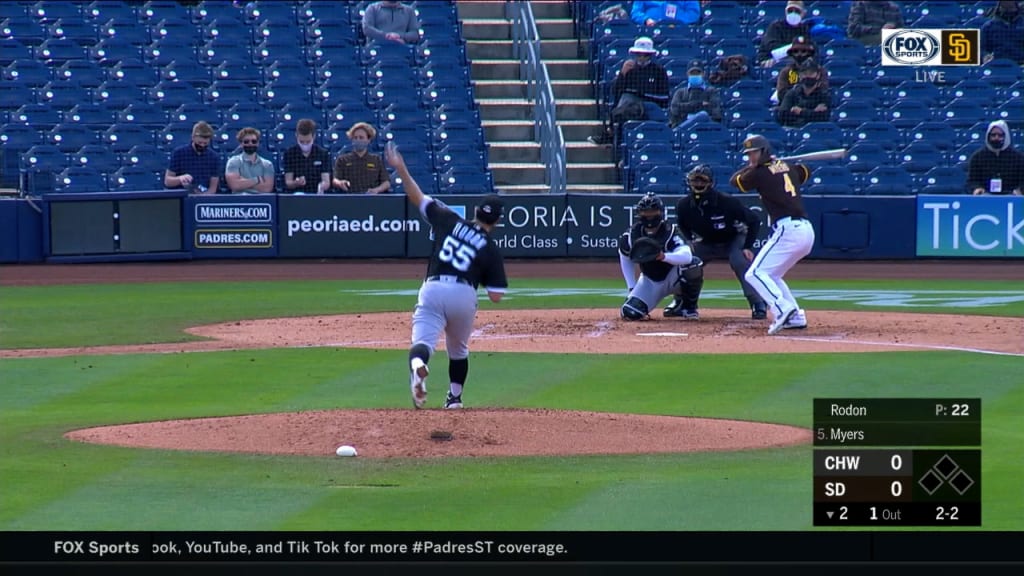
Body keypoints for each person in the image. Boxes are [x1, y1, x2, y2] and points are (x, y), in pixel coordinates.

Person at [384, 141, 508, 410]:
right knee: (459, 350)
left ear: (475, 212)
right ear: (497, 221)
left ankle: (418, 365)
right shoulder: (489, 247)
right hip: (463, 294)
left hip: (433, 288)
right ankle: (454, 399)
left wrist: (401, 168)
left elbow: (417, 197)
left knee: (422, 344)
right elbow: (497, 296)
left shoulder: (449, 219)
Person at [729, 134, 813, 335]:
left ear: (764, 151)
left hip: (789, 229)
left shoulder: (758, 173)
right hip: (805, 230)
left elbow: (735, 181)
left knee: (754, 273)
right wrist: (782, 164)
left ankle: (782, 309)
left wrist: (760, 166)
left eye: (754, 153)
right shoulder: (786, 167)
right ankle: (795, 317)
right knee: (771, 274)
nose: (750, 158)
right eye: (748, 154)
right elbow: (805, 172)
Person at [674, 164, 767, 320]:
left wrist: (747, 246)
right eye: (694, 181)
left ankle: (758, 303)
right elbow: (682, 224)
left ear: (711, 183)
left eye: (702, 181)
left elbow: (754, 220)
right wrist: (689, 239)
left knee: (740, 261)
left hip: (733, 239)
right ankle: (682, 302)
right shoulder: (683, 205)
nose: (698, 185)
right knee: (686, 262)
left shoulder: (727, 202)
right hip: (707, 242)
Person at [618, 192, 704, 320]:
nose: (649, 216)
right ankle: (668, 303)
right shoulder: (631, 235)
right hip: (650, 281)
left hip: (673, 276)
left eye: (653, 211)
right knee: (630, 313)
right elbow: (624, 256)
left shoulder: (670, 231)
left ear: (661, 212)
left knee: (693, 265)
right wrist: (631, 287)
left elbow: (687, 256)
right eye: (645, 212)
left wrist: (664, 257)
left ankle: (687, 306)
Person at [588, 36, 670, 146]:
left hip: (651, 106)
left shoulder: (659, 71)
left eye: (644, 55)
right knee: (624, 100)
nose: (641, 57)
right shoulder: (630, 69)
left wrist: (642, 95)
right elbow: (615, 90)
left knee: (625, 102)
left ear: (650, 55)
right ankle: (617, 140)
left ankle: (610, 135)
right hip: (630, 105)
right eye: (638, 54)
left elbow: (664, 97)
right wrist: (622, 74)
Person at [966, 120, 1024, 195]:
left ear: (1006, 136)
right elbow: (972, 181)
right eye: (993, 135)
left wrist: (1020, 190)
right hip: (986, 197)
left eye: (1000, 135)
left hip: (1011, 197)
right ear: (988, 136)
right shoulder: (977, 157)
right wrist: (976, 188)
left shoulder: (1018, 158)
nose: (996, 138)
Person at [332, 122, 391, 194]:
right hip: (349, 199)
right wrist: (340, 183)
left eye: (361, 137)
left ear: (368, 140)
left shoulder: (376, 160)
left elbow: (386, 182)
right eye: (355, 138)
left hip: (371, 199)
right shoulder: (342, 160)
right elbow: (335, 180)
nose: (358, 140)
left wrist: (377, 190)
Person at [164, 121, 220, 194]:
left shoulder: (214, 157)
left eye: (205, 143)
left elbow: (213, 188)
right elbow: (168, 181)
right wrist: (180, 179)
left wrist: (204, 197)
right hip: (182, 195)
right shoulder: (179, 153)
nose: (202, 145)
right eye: (199, 143)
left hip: (204, 196)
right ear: (193, 138)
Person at [757, 0, 815, 68]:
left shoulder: (805, 29)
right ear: (785, 12)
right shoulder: (776, 26)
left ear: (803, 13)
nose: (793, 13)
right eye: (790, 11)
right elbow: (772, 46)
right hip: (772, 61)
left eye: (797, 11)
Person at [668, 59, 723, 130]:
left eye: (698, 73)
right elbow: (675, 110)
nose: (695, 75)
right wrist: (700, 104)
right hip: (683, 128)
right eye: (692, 73)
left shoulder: (712, 91)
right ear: (687, 74)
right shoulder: (680, 92)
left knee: (703, 115)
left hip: (705, 129)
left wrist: (684, 108)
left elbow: (716, 113)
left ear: (703, 74)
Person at [775, 58, 831, 128]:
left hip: (816, 131)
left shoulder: (824, 95)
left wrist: (800, 111)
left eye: (811, 73)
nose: (808, 76)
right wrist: (813, 112)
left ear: (818, 75)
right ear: (800, 75)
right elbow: (783, 115)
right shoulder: (792, 93)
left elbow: (823, 118)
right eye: (805, 73)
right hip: (793, 129)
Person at [282, 118, 332, 195]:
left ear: (314, 137)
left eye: (308, 141)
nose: (305, 144)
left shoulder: (323, 154)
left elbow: (326, 181)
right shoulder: (289, 154)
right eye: (301, 142)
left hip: (317, 194)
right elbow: (288, 182)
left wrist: (321, 186)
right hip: (297, 194)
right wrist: (296, 183)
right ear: (296, 136)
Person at [772, 35, 822, 105]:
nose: (799, 54)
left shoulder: (820, 71)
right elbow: (781, 94)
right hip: (791, 109)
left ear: (810, 53)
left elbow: (823, 92)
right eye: (796, 51)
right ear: (792, 53)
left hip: (814, 107)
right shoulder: (786, 72)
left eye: (803, 51)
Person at [224, 127, 275, 194]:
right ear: (241, 144)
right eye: (246, 141)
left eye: (254, 141)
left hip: (260, 200)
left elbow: (267, 189)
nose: (250, 144)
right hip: (240, 200)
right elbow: (235, 185)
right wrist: (257, 180)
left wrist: (243, 182)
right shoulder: (233, 162)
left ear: (258, 143)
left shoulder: (267, 164)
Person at [630, 1, 701, 27]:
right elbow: (636, 12)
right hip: (650, 29)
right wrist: (646, 20)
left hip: (679, 30)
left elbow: (693, 13)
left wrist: (677, 21)